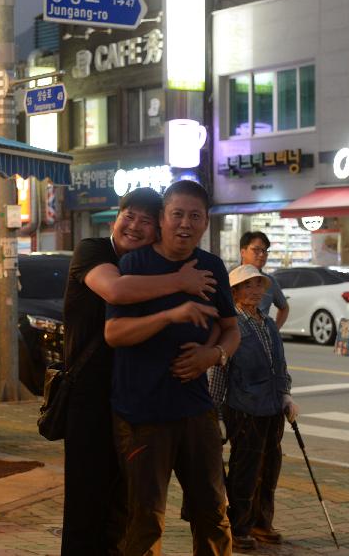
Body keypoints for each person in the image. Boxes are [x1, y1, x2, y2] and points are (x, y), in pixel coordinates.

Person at [62, 187, 218, 556]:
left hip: (129, 401)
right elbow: (116, 291)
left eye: (146, 221)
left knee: (125, 506)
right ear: (115, 217)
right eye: (128, 216)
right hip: (88, 399)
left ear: (157, 229)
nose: (134, 226)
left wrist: (210, 351)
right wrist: (181, 282)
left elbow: (210, 319)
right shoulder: (93, 251)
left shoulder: (152, 265)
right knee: (86, 503)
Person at [105, 180, 241, 556]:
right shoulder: (135, 264)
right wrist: (171, 315)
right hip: (141, 414)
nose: (185, 224)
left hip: (196, 411)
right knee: (145, 519)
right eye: (177, 214)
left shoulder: (212, 267)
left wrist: (212, 356)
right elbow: (114, 333)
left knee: (213, 512)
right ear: (162, 220)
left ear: (206, 222)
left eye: (194, 216)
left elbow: (231, 331)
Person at [223, 264, 299, 549]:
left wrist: (286, 395)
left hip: (271, 408)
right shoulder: (230, 323)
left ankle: (261, 523)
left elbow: (279, 365)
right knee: (245, 470)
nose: (255, 291)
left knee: (269, 470)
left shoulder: (267, 323)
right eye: (248, 286)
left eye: (259, 285)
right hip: (244, 409)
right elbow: (219, 372)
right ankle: (238, 527)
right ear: (235, 292)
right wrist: (216, 414)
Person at [240, 231, 290, 329]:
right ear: (243, 252)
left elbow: (284, 308)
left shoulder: (269, 281)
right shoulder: (230, 278)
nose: (262, 254)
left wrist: (274, 330)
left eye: (265, 250)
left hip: (262, 337)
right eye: (256, 250)